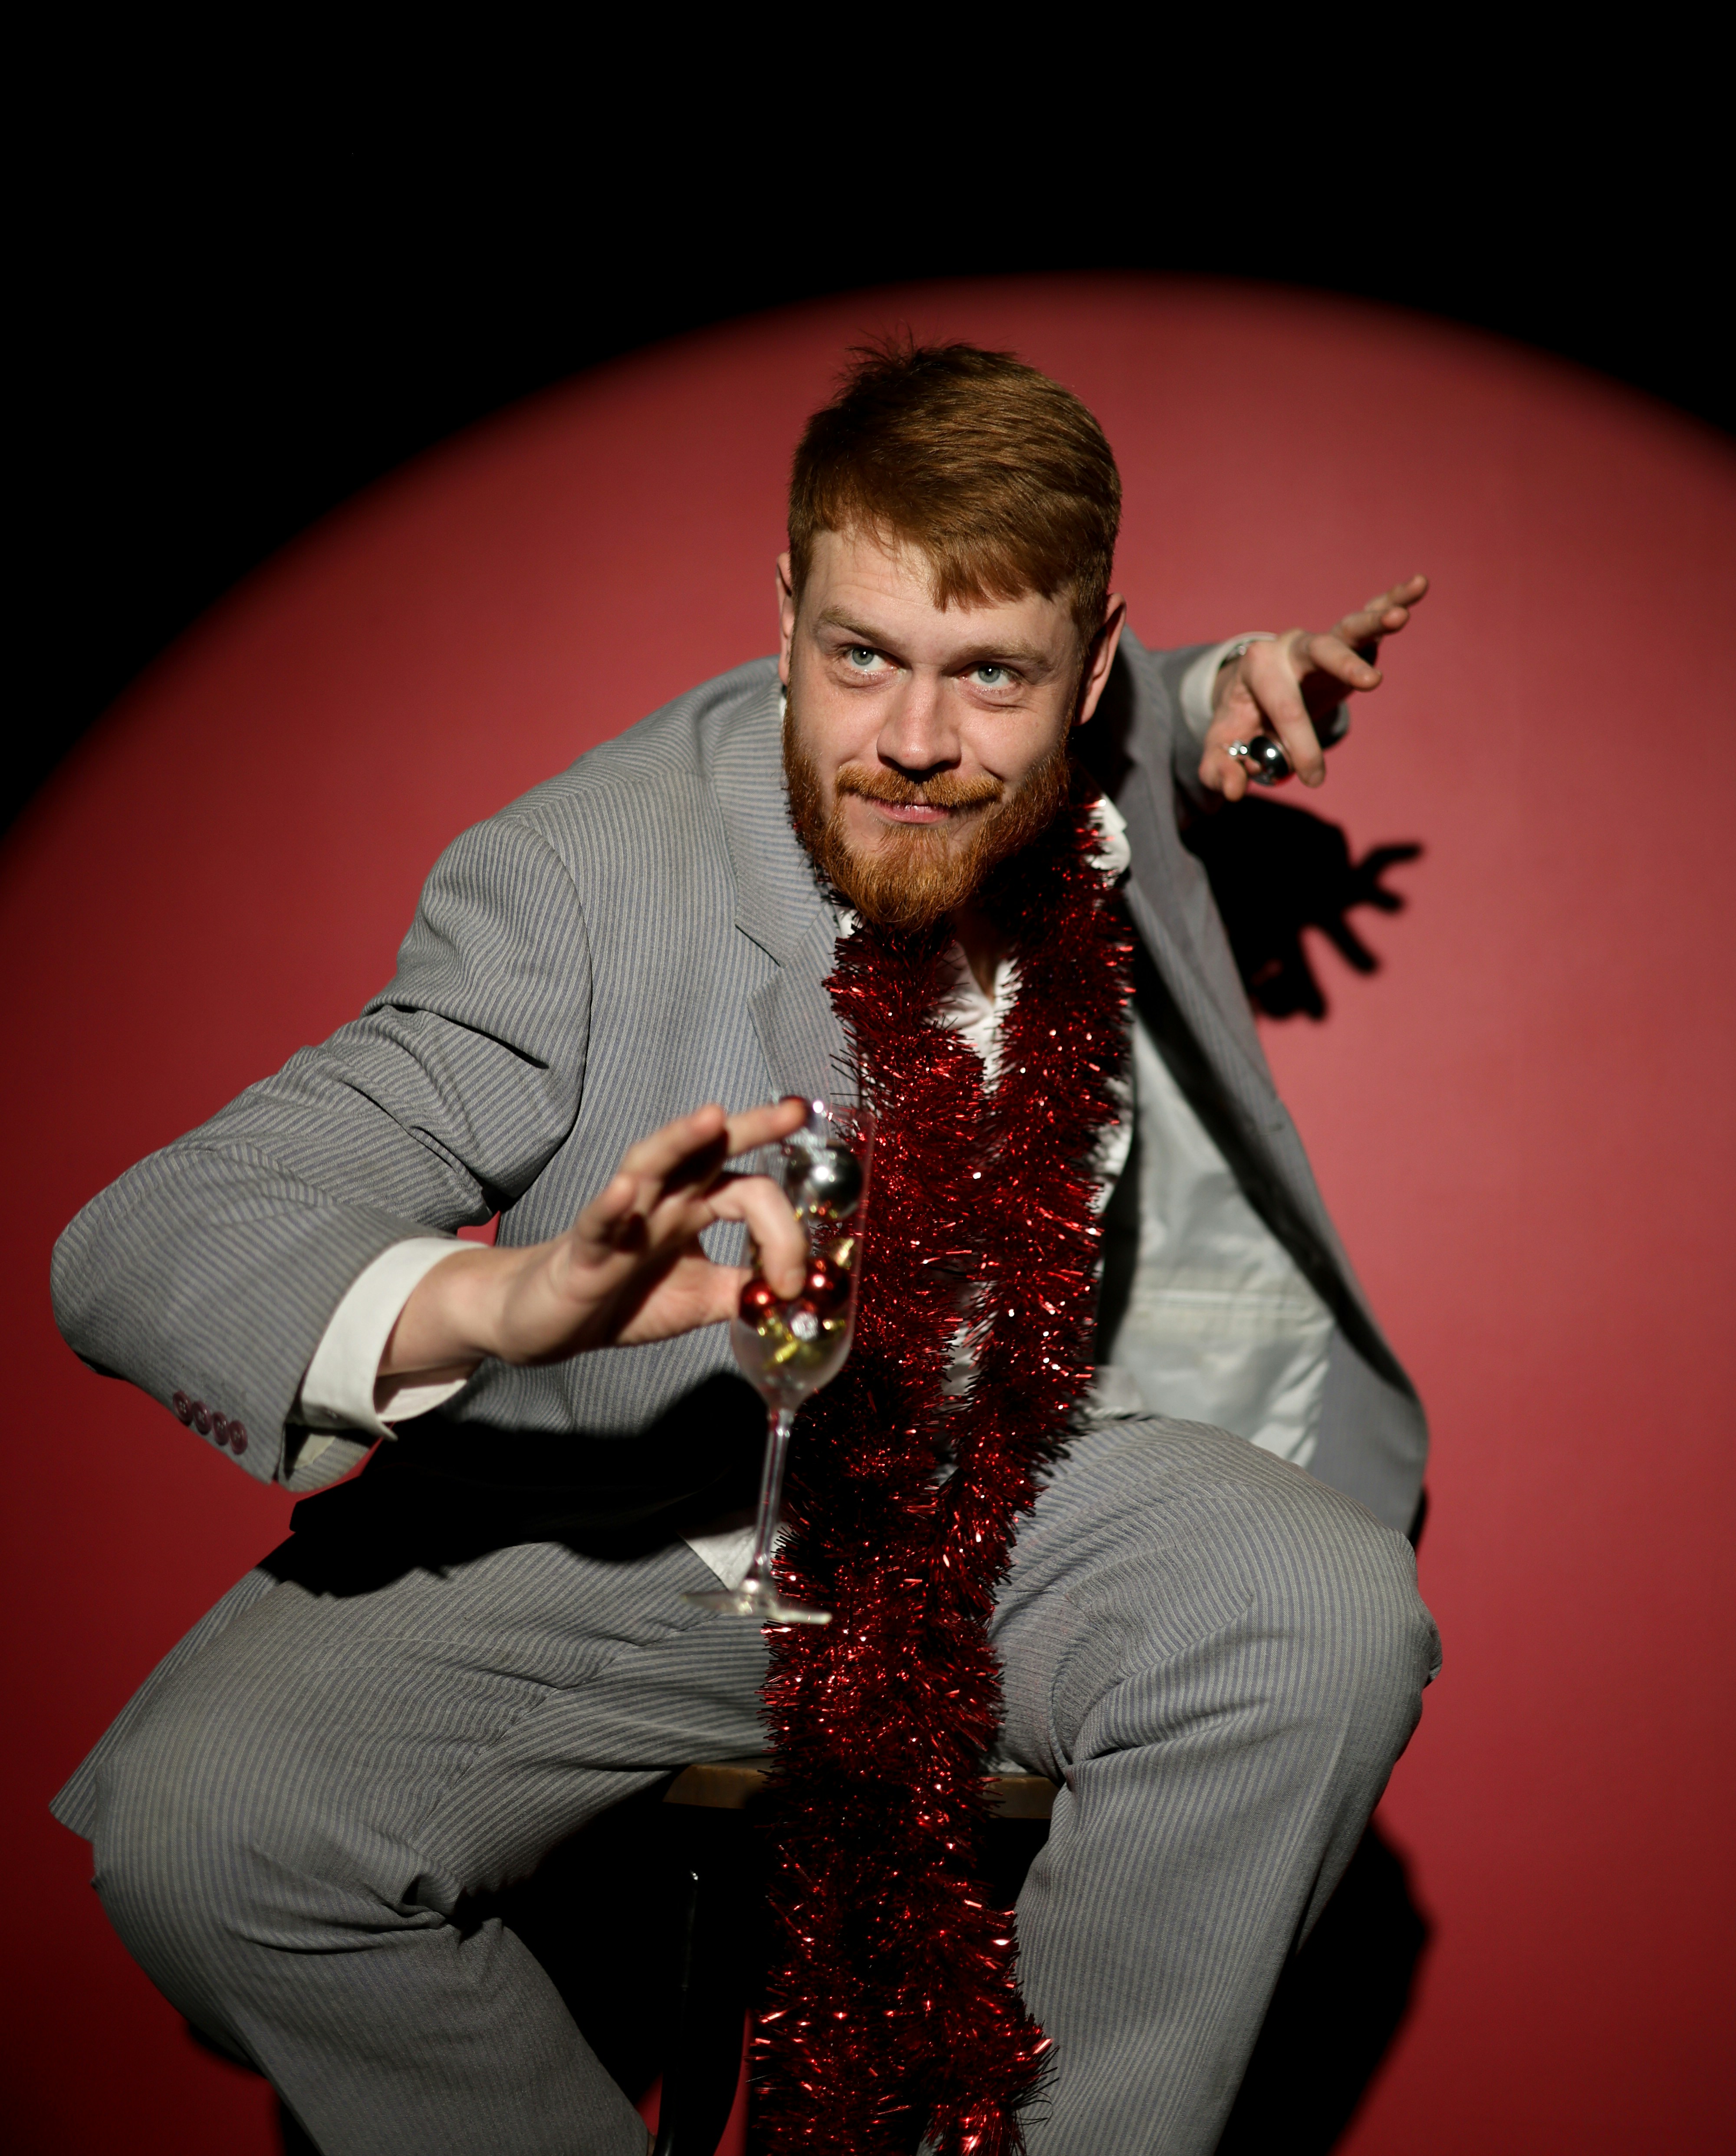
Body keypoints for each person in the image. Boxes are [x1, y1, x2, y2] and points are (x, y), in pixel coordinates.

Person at [51, 340, 1440, 2155]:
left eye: (989, 676)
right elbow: (145, 1239)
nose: (919, 743)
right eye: (858, 655)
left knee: (1314, 1609)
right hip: (643, 1520)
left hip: (993, 1490)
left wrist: (1206, 704)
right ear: (782, 610)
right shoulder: (575, 879)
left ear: (1082, 670)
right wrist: (503, 1296)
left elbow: (1128, 717)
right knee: (205, 1826)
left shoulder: (1079, 744)